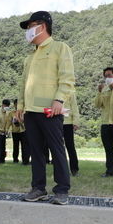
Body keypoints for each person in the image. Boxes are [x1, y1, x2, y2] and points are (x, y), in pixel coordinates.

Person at [17, 11, 75, 205]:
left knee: (57, 149)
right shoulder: (30, 57)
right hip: (31, 111)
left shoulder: (60, 48)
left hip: (51, 110)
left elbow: (67, 78)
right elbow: (24, 84)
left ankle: (62, 190)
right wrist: (20, 105)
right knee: (36, 151)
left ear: (42, 26)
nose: (28, 31)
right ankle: (38, 188)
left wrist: (59, 100)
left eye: (30, 26)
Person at [63, 92, 80, 176]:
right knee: (57, 148)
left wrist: (76, 121)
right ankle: (61, 170)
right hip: (54, 122)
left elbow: (74, 107)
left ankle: (74, 169)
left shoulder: (70, 92)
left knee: (70, 146)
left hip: (67, 123)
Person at [0, 99, 12, 163]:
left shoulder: (7, 112)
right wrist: (3, 130)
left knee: (3, 146)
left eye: (8, 106)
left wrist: (7, 130)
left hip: (4, 132)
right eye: (6, 106)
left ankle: (2, 160)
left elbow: (8, 122)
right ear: (2, 105)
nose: (7, 107)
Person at [10, 99, 30, 165]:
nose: (17, 106)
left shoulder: (24, 112)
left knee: (24, 146)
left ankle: (25, 160)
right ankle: (15, 159)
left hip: (23, 131)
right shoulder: (12, 113)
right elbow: (9, 121)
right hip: (15, 131)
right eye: (16, 104)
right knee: (16, 146)